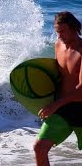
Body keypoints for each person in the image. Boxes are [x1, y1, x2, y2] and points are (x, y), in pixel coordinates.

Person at [34, 11, 82, 166]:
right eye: (57, 32)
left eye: (63, 32)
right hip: (62, 108)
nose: (59, 36)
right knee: (39, 148)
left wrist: (54, 105)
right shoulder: (58, 45)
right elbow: (56, 77)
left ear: (74, 28)